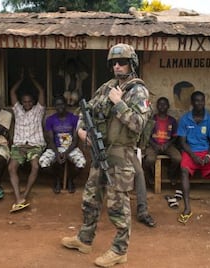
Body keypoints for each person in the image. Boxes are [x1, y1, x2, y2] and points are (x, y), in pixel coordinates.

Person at [61, 43, 151, 267]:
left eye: (122, 62)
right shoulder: (107, 86)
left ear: (132, 64)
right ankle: (84, 239)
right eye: (114, 63)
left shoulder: (139, 91)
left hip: (121, 155)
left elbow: (138, 125)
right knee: (90, 198)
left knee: (117, 204)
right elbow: (87, 110)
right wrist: (82, 131)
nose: (117, 66)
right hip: (101, 151)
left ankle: (120, 250)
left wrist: (119, 103)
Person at [177, 91, 210, 226]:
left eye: (202, 101)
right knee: (183, 170)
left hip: (206, 152)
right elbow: (182, 142)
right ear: (192, 103)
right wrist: (193, 156)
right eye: (197, 101)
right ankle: (187, 208)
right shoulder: (184, 119)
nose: (200, 103)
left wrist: (207, 155)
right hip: (190, 152)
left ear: (205, 102)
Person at [8, 68, 46, 213]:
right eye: (25, 101)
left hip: (34, 146)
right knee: (11, 168)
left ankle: (25, 194)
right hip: (19, 146)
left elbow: (41, 91)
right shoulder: (17, 111)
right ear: (22, 102)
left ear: (33, 101)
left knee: (35, 166)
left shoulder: (38, 110)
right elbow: (12, 92)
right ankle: (18, 199)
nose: (27, 103)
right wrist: (21, 80)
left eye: (30, 101)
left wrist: (33, 79)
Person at [39, 96, 86, 194]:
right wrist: (57, 154)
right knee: (43, 163)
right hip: (55, 148)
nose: (60, 107)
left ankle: (70, 179)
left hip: (71, 148)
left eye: (62, 104)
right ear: (55, 107)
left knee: (81, 163)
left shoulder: (74, 119)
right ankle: (57, 178)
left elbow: (75, 140)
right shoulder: (50, 120)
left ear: (66, 105)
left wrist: (66, 153)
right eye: (57, 105)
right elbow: (50, 140)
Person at [143, 97, 181, 185]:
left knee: (177, 158)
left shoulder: (172, 120)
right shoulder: (152, 120)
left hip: (168, 145)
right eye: (160, 104)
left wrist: (168, 144)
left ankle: (171, 173)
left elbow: (175, 136)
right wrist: (154, 145)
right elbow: (146, 136)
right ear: (157, 106)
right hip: (153, 145)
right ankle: (150, 175)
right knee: (149, 160)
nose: (162, 106)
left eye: (164, 104)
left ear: (168, 106)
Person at [132, 149, 156, 227]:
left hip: (127, 150)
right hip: (108, 150)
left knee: (139, 172)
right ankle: (94, 209)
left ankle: (142, 212)